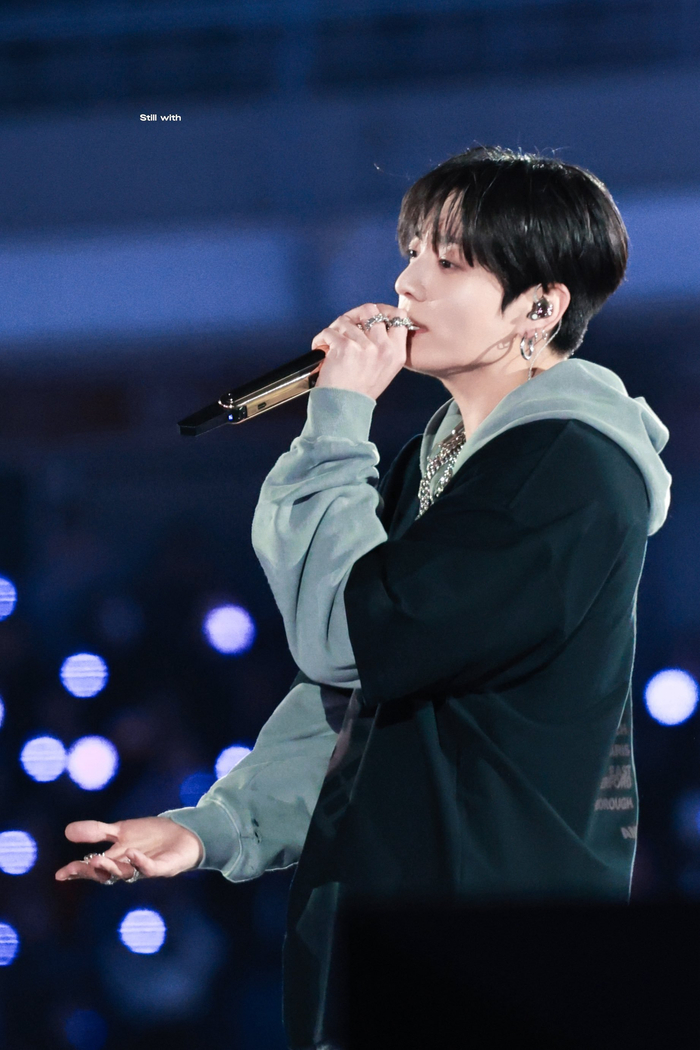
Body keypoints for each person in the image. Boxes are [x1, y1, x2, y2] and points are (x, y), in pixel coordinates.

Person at [56, 146, 672, 1049]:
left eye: (448, 262)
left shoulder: (565, 468)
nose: (406, 283)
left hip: (484, 931)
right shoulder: (443, 457)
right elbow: (354, 699)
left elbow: (354, 636)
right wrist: (216, 827)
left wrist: (339, 420)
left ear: (540, 307)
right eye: (412, 252)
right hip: (393, 915)